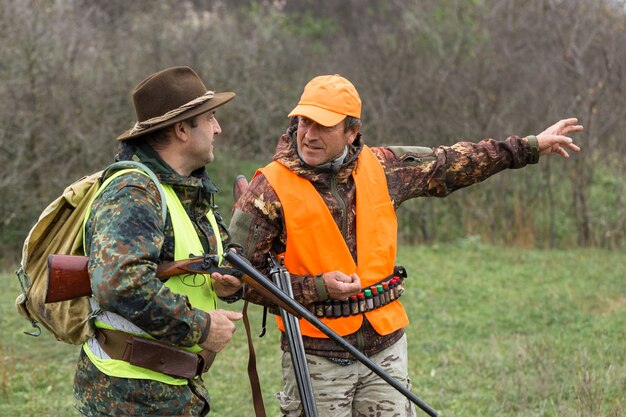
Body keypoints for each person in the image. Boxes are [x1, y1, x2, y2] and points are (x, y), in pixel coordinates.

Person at [228, 74, 582, 417]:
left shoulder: (383, 167)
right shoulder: (268, 188)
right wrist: (317, 288)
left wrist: (529, 147)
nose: (309, 134)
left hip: (386, 349)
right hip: (316, 358)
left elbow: (451, 163)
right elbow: (236, 278)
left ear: (352, 132)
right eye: (303, 122)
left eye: (323, 126)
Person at [74, 66, 245, 417]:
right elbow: (119, 283)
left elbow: (206, 259)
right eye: (210, 118)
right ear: (182, 129)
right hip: (129, 393)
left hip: (166, 387)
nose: (218, 128)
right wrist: (201, 326)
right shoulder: (133, 192)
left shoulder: (187, 192)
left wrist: (229, 284)